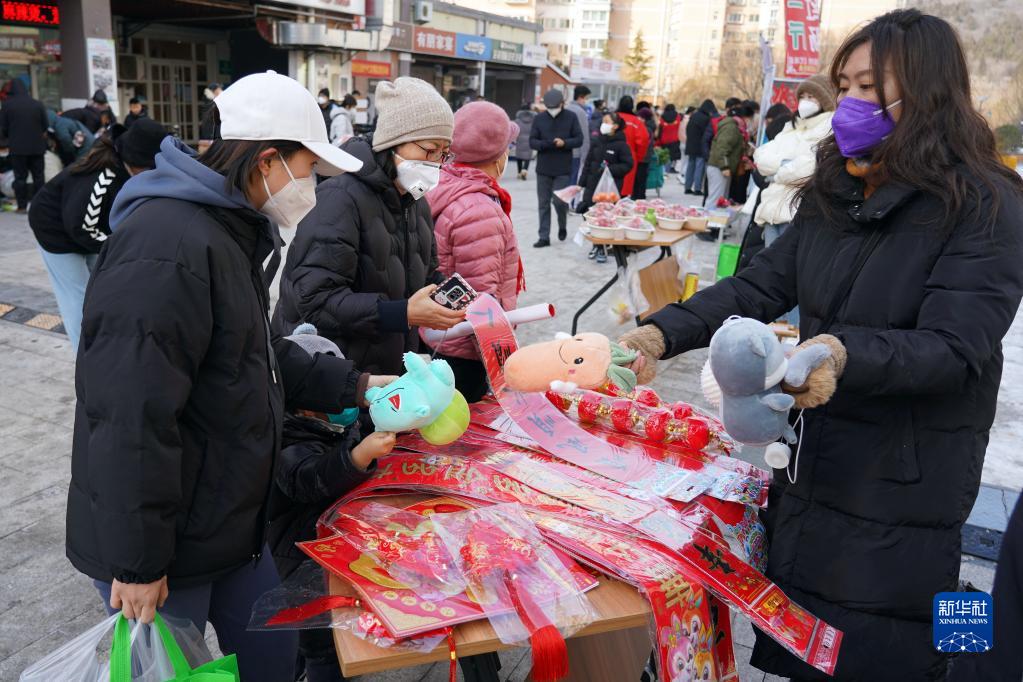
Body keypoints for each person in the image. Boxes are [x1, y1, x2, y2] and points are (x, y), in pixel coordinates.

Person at [619, 10, 1023, 680]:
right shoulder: (838, 187)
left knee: (881, 649)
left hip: (902, 477)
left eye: (868, 87)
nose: (850, 103)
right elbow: (760, 285)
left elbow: (955, 347)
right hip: (815, 458)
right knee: (807, 638)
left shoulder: (983, 203)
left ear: (926, 89)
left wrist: (841, 354)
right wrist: (661, 332)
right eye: (843, 87)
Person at [66, 71, 384, 682]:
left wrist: (359, 385)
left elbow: (254, 351)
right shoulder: (167, 245)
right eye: (308, 169)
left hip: (230, 517)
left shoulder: (228, 229)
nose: (312, 188)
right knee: (171, 670)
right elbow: (130, 413)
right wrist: (137, 563)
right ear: (267, 160)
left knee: (272, 655)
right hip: (167, 542)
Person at [274, 77, 464, 376]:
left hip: (388, 368)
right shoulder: (339, 198)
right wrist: (402, 313)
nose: (436, 164)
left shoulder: (416, 202)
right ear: (392, 142)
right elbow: (313, 301)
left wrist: (448, 294)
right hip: (331, 371)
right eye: (429, 150)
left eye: (443, 153)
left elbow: (424, 272)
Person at [269, 326, 396, 682]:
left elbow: (365, 420)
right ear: (304, 405)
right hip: (297, 560)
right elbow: (310, 479)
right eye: (336, 399)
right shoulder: (287, 441)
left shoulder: (332, 423)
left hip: (329, 550)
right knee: (321, 643)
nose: (348, 407)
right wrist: (357, 457)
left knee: (305, 637)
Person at [28, 119, 165, 352]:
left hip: (82, 228)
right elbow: (82, 227)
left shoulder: (124, 169)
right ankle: (84, 356)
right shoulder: (103, 176)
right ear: (138, 162)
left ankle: (106, 342)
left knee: (101, 286)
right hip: (55, 230)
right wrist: (120, 247)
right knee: (78, 296)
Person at [423, 101, 523, 401]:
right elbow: (482, 301)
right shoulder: (478, 209)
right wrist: (503, 369)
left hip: (440, 336)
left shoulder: (446, 183)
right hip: (463, 351)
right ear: (497, 155)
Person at [755, 74, 836, 250]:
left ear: (824, 100)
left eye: (811, 97)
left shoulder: (830, 127)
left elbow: (809, 167)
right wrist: (786, 164)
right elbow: (761, 156)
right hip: (771, 211)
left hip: (797, 213)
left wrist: (775, 176)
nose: (805, 101)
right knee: (768, 262)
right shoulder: (792, 126)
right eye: (802, 97)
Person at [578, 112, 633, 264]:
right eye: (603, 121)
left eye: (607, 122)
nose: (603, 124)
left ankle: (603, 247)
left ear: (615, 126)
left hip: (609, 189)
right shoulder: (597, 141)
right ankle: (596, 245)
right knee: (590, 215)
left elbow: (628, 165)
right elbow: (588, 163)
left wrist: (610, 169)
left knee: (605, 217)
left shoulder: (621, 145)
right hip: (592, 185)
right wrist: (581, 183)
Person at [529, 89, 582, 247]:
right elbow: (532, 141)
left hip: (563, 168)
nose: (552, 110)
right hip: (543, 168)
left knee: (559, 202)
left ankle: (562, 225)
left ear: (562, 104)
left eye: (555, 107)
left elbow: (579, 139)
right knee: (543, 204)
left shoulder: (571, 117)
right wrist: (545, 144)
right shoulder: (539, 118)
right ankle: (544, 236)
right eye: (549, 107)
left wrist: (565, 143)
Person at [0, 78, 48, 213]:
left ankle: (21, 207)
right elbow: (45, 125)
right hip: (37, 148)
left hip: (18, 149)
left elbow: (3, 128)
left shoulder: (7, 106)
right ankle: (41, 207)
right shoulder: (38, 104)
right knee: (39, 177)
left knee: (20, 178)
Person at [705, 103, 754, 208]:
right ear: (743, 117)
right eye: (749, 118)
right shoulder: (731, 128)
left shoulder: (734, 127)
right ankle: (707, 217)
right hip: (719, 167)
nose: (749, 121)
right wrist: (725, 167)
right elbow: (722, 148)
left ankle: (715, 218)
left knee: (721, 200)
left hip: (721, 167)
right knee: (715, 199)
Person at [615, 95, 650, 199]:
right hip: (630, 157)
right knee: (625, 188)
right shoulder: (636, 122)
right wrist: (639, 157)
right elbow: (643, 140)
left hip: (610, 155)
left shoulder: (612, 118)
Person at [684, 99, 717, 195]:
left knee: (690, 166)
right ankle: (697, 188)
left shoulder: (693, 116)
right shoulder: (706, 119)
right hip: (700, 146)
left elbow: (687, 129)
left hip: (690, 145)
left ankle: (687, 187)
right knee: (699, 167)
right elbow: (706, 134)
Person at [565, 85, 591, 185]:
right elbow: (584, 136)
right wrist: (585, 157)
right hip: (575, 153)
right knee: (572, 183)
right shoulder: (581, 112)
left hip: (563, 151)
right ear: (581, 97)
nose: (586, 101)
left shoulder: (566, 109)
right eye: (586, 98)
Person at [633, 106, 657, 200]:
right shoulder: (649, 127)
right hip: (645, 156)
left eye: (640, 117)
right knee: (641, 178)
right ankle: (640, 196)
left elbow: (643, 143)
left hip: (642, 156)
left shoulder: (645, 128)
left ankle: (638, 196)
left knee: (639, 178)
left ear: (644, 118)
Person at [512, 102, 535, 179]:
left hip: (520, 140)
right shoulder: (533, 120)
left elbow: (514, 130)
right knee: (527, 157)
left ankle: (519, 172)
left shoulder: (517, 120)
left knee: (519, 157)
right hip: (529, 141)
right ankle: (524, 171)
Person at [198, 82, 223, 152]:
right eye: (219, 89)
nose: (221, 90)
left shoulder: (211, 101)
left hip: (211, 135)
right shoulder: (212, 102)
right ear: (214, 91)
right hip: (211, 135)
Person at [658, 104, 682, 173]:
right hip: (675, 138)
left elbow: (660, 127)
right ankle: (669, 169)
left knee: (665, 154)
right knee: (672, 155)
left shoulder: (662, 117)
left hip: (664, 139)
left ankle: (664, 170)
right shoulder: (677, 116)